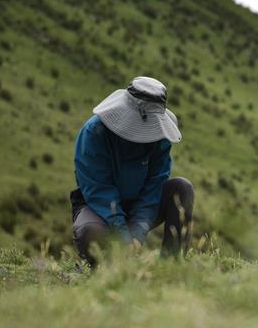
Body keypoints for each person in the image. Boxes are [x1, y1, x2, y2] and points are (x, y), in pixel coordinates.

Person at [70, 76, 194, 266]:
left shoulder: (160, 138)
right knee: (89, 230)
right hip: (98, 210)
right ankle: (105, 268)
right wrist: (123, 237)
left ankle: (170, 266)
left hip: (139, 206)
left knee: (182, 188)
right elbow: (100, 191)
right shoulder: (94, 133)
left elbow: (154, 185)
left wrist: (137, 233)